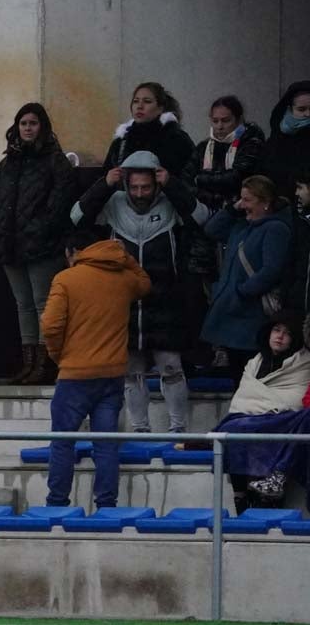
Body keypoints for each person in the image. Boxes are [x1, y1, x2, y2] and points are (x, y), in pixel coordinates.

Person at [72, 151, 210, 435]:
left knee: (171, 366)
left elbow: (202, 217)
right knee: (131, 371)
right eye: (134, 187)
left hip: (165, 299)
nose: (139, 193)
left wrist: (172, 185)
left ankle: (178, 427)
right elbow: (77, 216)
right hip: (124, 302)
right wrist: (104, 184)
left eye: (145, 187)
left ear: (156, 184)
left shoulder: (170, 203)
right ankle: (140, 428)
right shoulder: (114, 203)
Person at [40, 228, 152, 508]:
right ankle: (106, 504)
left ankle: (56, 503)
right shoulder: (124, 279)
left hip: (74, 375)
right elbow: (145, 283)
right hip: (112, 375)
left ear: (72, 253)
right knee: (105, 444)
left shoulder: (65, 279)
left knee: (63, 442)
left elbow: (50, 326)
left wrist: (58, 356)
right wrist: (123, 256)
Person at [0, 103, 75, 384]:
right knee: (23, 305)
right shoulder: (6, 164)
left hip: (43, 247)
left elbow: (59, 206)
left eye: (33, 123)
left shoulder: (56, 162)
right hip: (10, 247)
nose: (27, 128)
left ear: (43, 127)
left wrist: (38, 232)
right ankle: (28, 364)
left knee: (43, 304)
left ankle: (46, 365)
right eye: (23, 123)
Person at [215, 313, 310, 510]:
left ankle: (270, 491)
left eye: (287, 333)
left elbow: (296, 399)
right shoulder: (254, 362)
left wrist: (267, 410)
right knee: (235, 428)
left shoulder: (305, 363)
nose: (280, 336)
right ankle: (241, 496)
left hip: (284, 419)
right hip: (249, 417)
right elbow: (245, 397)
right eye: (276, 330)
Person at [201, 175, 294, 374]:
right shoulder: (242, 226)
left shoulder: (276, 229)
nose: (242, 205)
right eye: (241, 199)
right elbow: (211, 230)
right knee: (236, 375)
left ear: (266, 203)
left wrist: (243, 292)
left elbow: (271, 269)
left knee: (249, 373)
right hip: (232, 313)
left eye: (248, 200)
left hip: (251, 316)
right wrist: (232, 208)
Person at [182, 96, 265, 292]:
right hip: (205, 222)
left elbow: (236, 178)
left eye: (225, 120)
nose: (219, 126)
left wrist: (201, 180)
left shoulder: (251, 144)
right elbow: (185, 179)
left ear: (238, 119)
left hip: (239, 220)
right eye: (215, 121)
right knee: (206, 282)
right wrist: (208, 190)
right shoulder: (204, 147)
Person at [103, 81, 194, 176]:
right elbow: (102, 177)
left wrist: (169, 182)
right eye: (135, 101)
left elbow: (188, 182)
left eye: (147, 101)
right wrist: (107, 181)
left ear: (160, 108)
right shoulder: (121, 141)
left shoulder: (176, 139)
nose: (139, 106)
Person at [259, 79, 310, 199]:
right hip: (276, 205)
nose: (308, 114)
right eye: (301, 109)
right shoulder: (276, 140)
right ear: (289, 109)